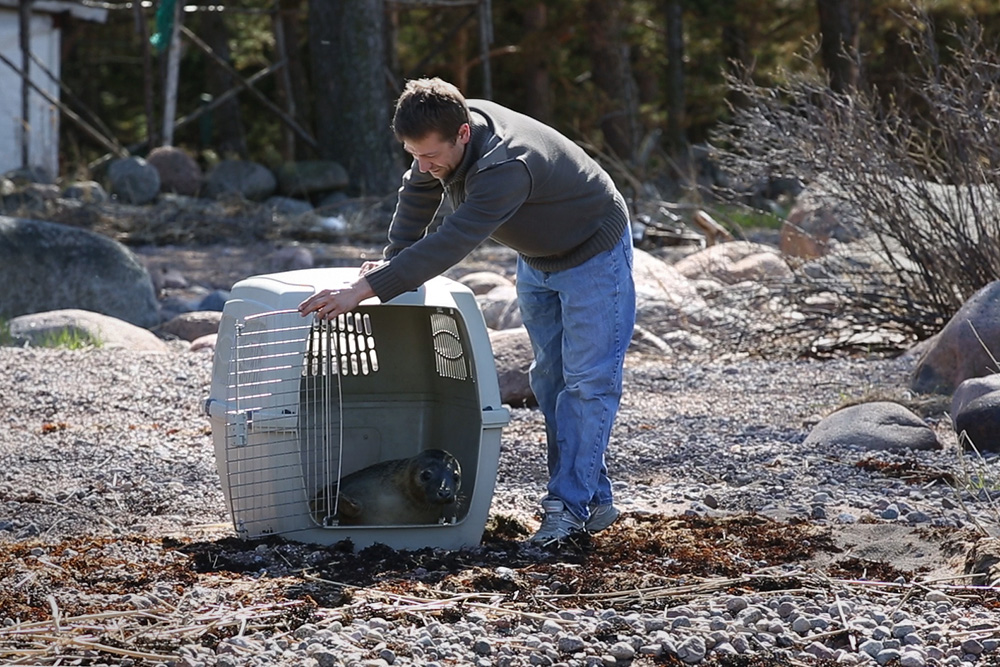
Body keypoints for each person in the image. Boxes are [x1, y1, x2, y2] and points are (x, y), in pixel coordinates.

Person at [298, 77, 635, 544]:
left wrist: (366, 289)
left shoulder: (505, 166)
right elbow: (418, 192)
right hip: (538, 259)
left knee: (587, 385)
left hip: (593, 254)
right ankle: (594, 502)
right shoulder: (444, 125)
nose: (422, 165)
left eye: (429, 156)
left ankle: (568, 509)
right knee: (550, 380)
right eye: (413, 154)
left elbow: (452, 241)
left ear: (462, 135)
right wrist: (394, 255)